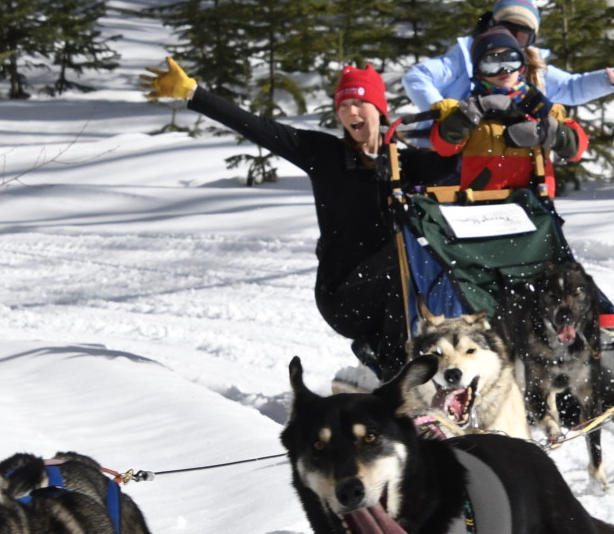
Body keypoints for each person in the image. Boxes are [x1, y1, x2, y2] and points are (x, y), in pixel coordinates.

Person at [140, 58, 450, 379]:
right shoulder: (324, 154)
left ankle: (421, 362)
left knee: (440, 263)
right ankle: (391, 370)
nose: (351, 112)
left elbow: (455, 164)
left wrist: (466, 127)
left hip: (393, 290)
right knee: (400, 262)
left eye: (359, 103)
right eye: (344, 106)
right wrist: (193, 93)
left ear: (379, 108)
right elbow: (257, 127)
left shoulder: (404, 161)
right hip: (342, 293)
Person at [402, 0, 614, 114]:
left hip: (508, 152)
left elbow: (570, 87)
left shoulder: (530, 65)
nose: (510, 41)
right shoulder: (466, 55)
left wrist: (608, 80)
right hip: (457, 147)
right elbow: (418, 76)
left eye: (520, 35)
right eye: (506, 29)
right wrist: (440, 109)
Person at [427, 23, 587, 197]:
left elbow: (577, 150)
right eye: (491, 63)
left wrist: (549, 133)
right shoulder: (470, 109)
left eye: (510, 59)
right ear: (479, 73)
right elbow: (444, 147)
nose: (503, 70)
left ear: (522, 66)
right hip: (482, 205)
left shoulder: (542, 108)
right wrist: (470, 114)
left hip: (534, 205)